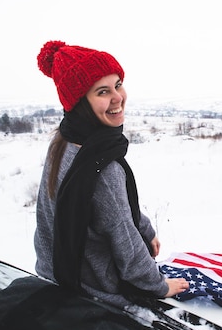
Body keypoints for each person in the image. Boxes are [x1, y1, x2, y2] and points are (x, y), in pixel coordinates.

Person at [33, 40, 189, 308]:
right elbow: (125, 244)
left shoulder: (64, 143)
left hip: (56, 274)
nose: (118, 97)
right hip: (95, 292)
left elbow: (118, 211)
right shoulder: (100, 168)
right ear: (80, 103)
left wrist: (146, 229)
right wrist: (159, 286)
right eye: (103, 91)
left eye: (118, 85)